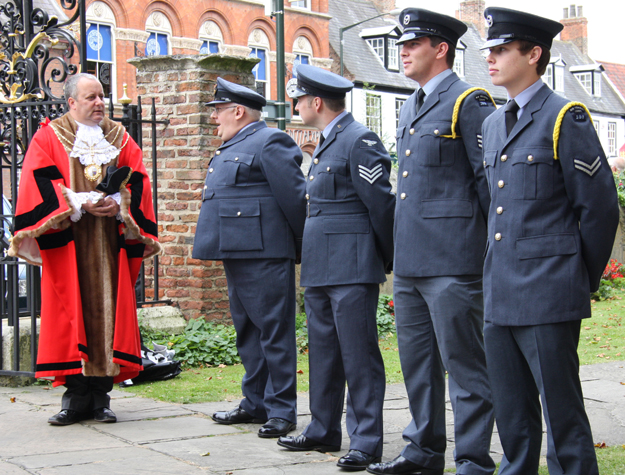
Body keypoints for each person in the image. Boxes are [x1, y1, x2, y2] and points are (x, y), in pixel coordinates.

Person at [480, 7, 619, 475]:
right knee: (513, 417)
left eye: (501, 50)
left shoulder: (565, 117)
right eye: (489, 51)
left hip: (547, 290)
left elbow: (599, 210)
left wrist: (573, 279)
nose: (491, 59)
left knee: (562, 419)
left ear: (534, 54)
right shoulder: (493, 124)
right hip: (500, 291)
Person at [368, 8, 496, 475]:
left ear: (441, 49)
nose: (402, 51)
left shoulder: (470, 102)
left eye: (412, 44)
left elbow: (490, 184)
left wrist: (489, 254)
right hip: (413, 260)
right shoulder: (410, 105)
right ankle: (423, 451)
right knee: (417, 365)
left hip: (455, 260)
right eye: (401, 44)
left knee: (465, 368)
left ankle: (473, 460)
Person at [8, 73, 161, 425]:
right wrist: (76, 201)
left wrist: (118, 202)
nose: (99, 103)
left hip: (109, 245)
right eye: (91, 98)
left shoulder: (119, 137)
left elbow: (138, 179)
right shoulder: (49, 136)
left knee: (110, 318)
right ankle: (74, 399)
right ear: (72, 102)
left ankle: (100, 398)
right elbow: (36, 181)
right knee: (69, 315)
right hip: (69, 245)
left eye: (102, 97)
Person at [277, 64, 395, 471]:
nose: (294, 105)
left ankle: (366, 441)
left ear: (315, 102)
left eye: (297, 99)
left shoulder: (358, 140)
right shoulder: (328, 142)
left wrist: (381, 257)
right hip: (322, 267)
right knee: (324, 353)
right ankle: (323, 428)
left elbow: (381, 205)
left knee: (359, 356)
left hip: (352, 266)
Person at [192, 78, 306, 439]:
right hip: (237, 252)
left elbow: (295, 200)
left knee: (274, 332)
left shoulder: (270, 140)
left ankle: (281, 410)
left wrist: (302, 250)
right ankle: (254, 402)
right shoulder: (235, 143)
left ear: (238, 111)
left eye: (218, 111)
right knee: (248, 333)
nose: (215, 119)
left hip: (265, 254)